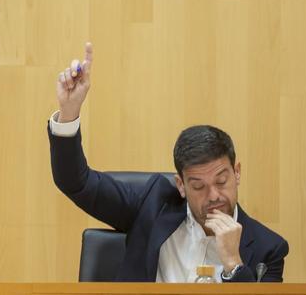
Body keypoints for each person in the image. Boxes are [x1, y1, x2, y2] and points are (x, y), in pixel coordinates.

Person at [48, 43, 289, 282]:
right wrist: (69, 112)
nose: (214, 195)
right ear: (181, 185)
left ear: (237, 173)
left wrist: (234, 264)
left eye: (222, 180)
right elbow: (75, 182)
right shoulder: (151, 205)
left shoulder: (268, 249)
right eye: (198, 186)